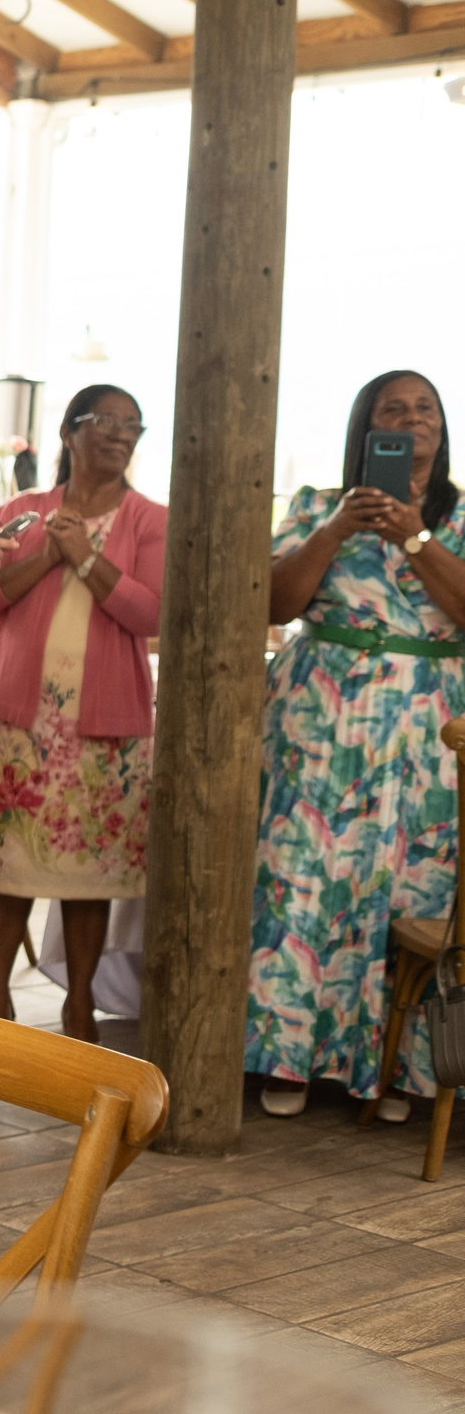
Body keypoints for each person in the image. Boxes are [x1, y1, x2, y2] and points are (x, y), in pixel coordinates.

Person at [249, 370, 465, 1121]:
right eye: (393, 409)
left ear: (442, 424)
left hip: (426, 732)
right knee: (303, 873)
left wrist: (414, 535)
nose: (412, 418)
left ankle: (397, 1067)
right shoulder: (315, 507)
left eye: (425, 407)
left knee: (413, 883)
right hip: (319, 723)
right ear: (365, 429)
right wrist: (339, 527)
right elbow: (276, 602)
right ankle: (286, 1056)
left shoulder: (463, 513)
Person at [0, 386, 165, 1044]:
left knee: (91, 872)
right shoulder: (22, 512)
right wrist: (51, 553)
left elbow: (150, 614)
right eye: (104, 421)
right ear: (67, 430)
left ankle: (79, 1005)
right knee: (6, 865)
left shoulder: (148, 519)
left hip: (104, 726)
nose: (119, 433)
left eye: (131, 425)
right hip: (18, 718)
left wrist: (84, 554)